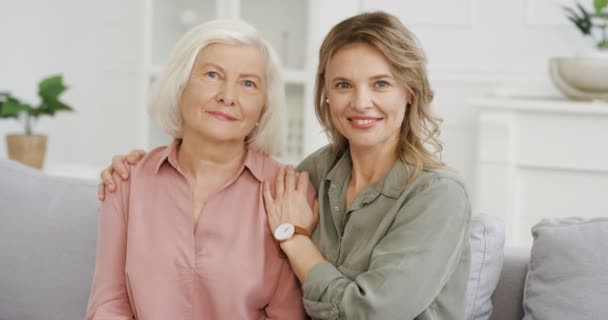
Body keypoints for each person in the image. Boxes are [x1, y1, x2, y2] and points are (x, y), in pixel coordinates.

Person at [99, 11, 472, 320]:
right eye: (343, 85)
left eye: (380, 84)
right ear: (325, 94)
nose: (361, 102)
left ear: (409, 91)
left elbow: (372, 313)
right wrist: (133, 169)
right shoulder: (308, 176)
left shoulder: (438, 196)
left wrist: (293, 238)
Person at [85, 19, 307, 320]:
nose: (228, 96)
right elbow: (108, 304)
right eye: (213, 75)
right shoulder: (127, 182)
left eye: (248, 83)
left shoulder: (289, 191)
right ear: (180, 83)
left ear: (264, 106)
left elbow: (288, 314)